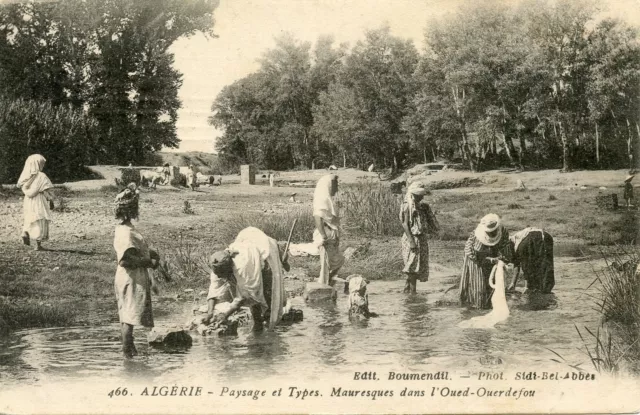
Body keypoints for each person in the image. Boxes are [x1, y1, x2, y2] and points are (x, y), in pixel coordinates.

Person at [205, 227, 287, 331]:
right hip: (247, 240)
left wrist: (225, 315)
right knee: (252, 298)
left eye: (222, 275)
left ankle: (269, 328)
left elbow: (245, 295)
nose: (220, 277)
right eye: (218, 275)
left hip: (265, 252)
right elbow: (214, 289)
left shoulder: (242, 267)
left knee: (267, 296)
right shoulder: (217, 265)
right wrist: (210, 313)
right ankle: (258, 324)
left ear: (230, 267)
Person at [113, 183, 160, 358]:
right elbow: (125, 260)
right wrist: (148, 261)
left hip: (131, 277)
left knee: (128, 315)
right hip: (130, 278)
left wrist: (149, 253)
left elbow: (133, 251)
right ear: (130, 210)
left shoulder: (125, 228)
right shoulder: (126, 232)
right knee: (129, 317)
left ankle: (130, 353)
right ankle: (127, 354)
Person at [459, 214, 513, 309]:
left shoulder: (503, 231)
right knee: (479, 284)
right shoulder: (479, 239)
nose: (492, 234)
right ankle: (478, 306)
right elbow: (477, 257)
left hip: (493, 255)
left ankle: (491, 305)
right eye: (489, 233)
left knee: (493, 282)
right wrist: (492, 260)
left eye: (493, 232)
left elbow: (506, 250)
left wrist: (502, 260)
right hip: (475, 259)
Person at [400, 182, 439, 294]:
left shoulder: (422, 207)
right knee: (412, 266)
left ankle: (407, 290)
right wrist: (412, 241)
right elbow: (405, 225)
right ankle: (413, 293)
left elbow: (430, 223)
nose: (422, 197)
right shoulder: (407, 206)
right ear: (414, 195)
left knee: (417, 264)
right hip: (412, 238)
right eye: (420, 195)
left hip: (421, 238)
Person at [16, 154, 55, 251]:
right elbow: (46, 190)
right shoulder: (42, 176)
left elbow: (22, 187)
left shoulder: (26, 176)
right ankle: (38, 245)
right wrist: (50, 200)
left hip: (28, 200)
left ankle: (25, 232)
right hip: (39, 200)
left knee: (30, 216)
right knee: (39, 218)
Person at [313, 174, 344, 286]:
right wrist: (323, 236)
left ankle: (327, 282)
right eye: (335, 185)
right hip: (326, 234)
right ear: (329, 185)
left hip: (331, 233)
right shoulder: (322, 199)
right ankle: (323, 286)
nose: (337, 188)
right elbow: (318, 217)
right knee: (326, 264)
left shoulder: (327, 199)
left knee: (338, 260)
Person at [508, 227, 554, 294]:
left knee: (531, 264)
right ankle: (545, 289)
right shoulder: (514, 244)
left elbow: (525, 265)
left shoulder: (517, 245)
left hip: (533, 237)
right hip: (547, 236)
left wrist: (526, 287)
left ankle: (538, 290)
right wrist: (513, 283)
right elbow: (516, 264)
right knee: (545, 264)